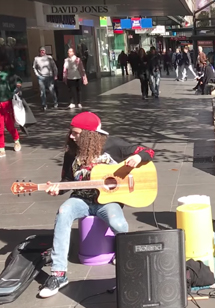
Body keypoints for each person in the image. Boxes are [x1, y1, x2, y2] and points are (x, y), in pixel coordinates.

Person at [39, 112, 154, 298]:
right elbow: (66, 181)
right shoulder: (71, 153)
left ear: (88, 134)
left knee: (119, 224)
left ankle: (128, 259)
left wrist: (138, 158)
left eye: (75, 133)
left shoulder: (113, 145)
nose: (71, 136)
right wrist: (56, 189)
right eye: (71, 132)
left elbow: (149, 151)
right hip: (81, 200)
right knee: (63, 212)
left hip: (108, 200)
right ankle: (58, 274)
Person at [0, 61, 22, 158]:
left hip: (6, 103)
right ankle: (1, 148)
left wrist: (16, 89)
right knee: (0, 128)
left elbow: (18, 80)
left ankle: (16, 140)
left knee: (9, 124)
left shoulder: (6, 75)